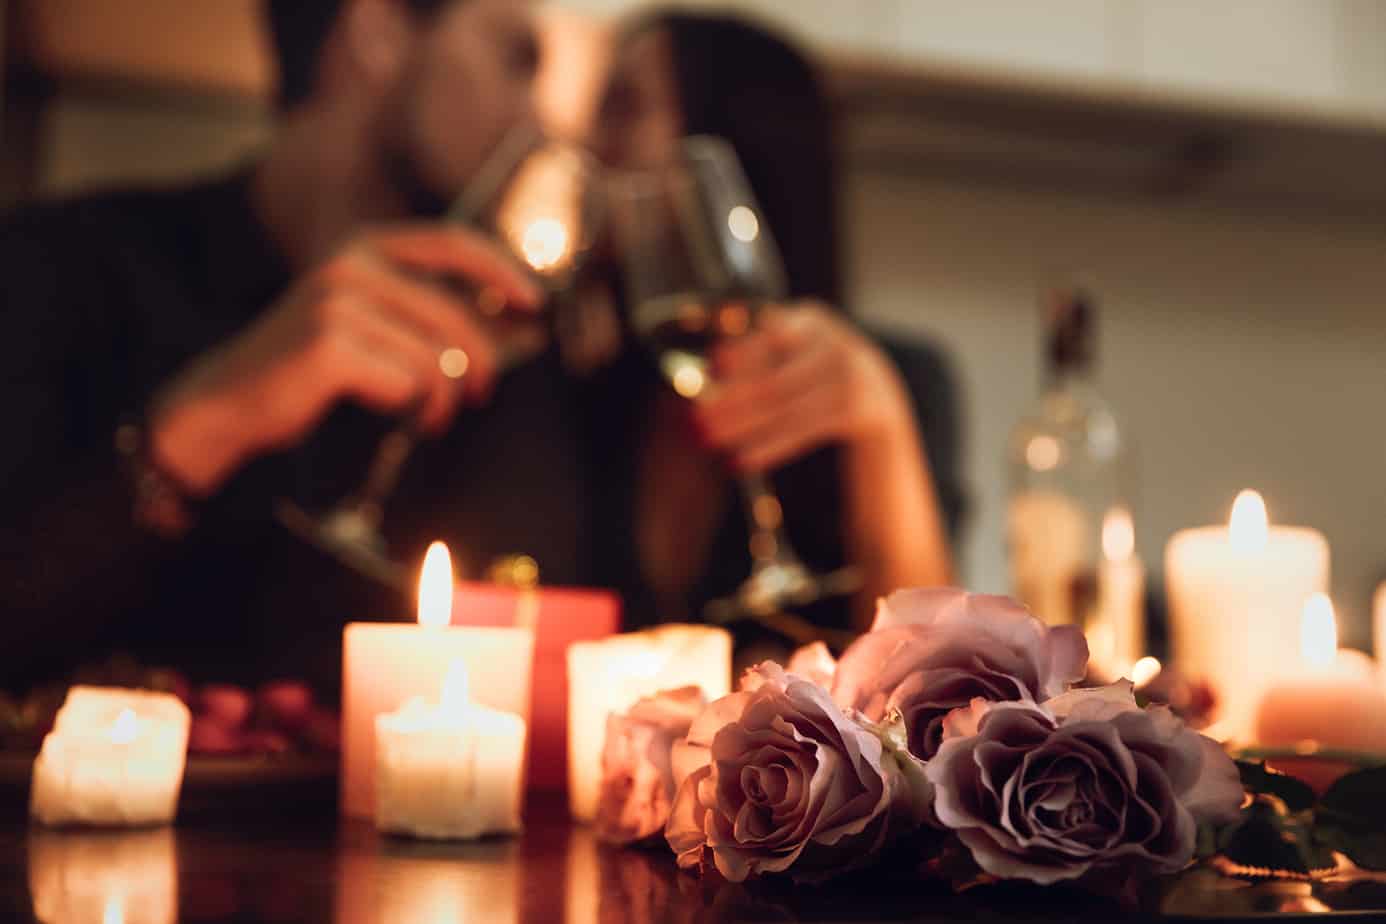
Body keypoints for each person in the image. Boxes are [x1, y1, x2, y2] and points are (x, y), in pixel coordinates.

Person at [0, 0, 588, 693]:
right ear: (377, 32)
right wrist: (207, 423)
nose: (539, 121)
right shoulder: (59, 267)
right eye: (516, 61)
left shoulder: (504, 347)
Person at [584, 11, 965, 646]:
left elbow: (937, 682)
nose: (594, 145)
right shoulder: (590, 396)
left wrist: (882, 430)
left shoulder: (900, 379)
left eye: (624, 107)